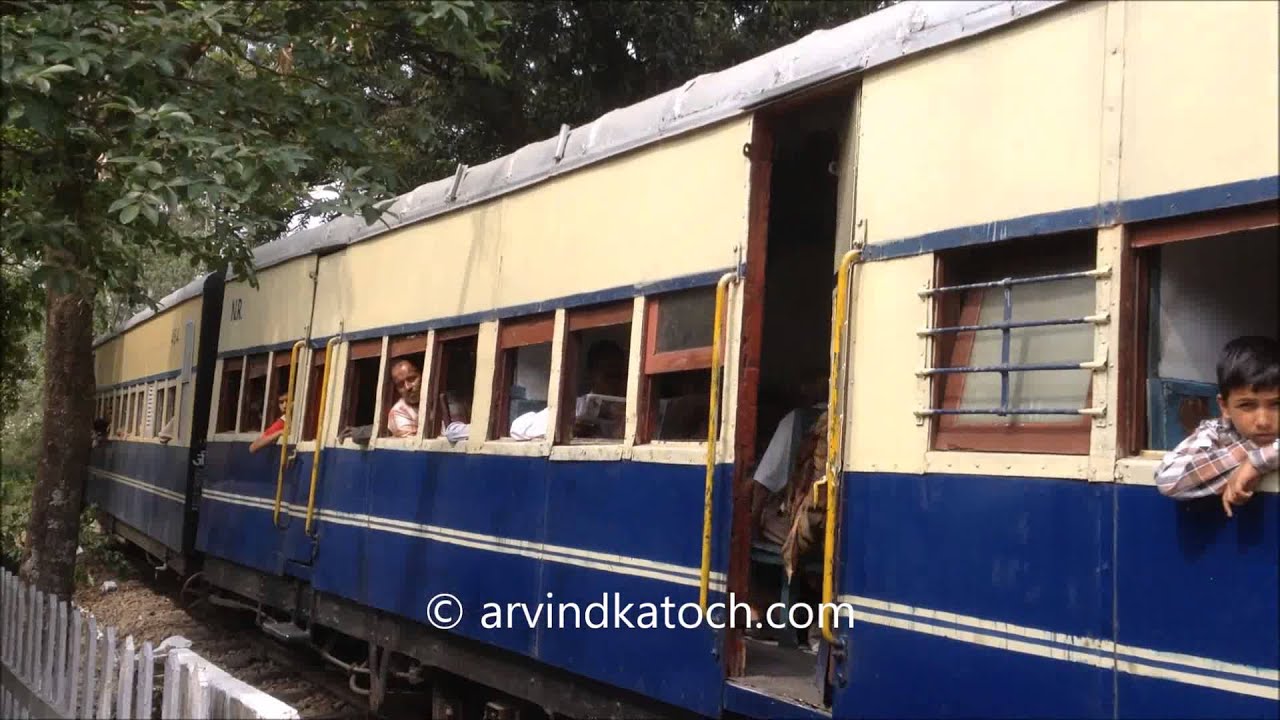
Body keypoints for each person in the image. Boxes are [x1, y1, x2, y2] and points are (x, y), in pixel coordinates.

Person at [1155, 335, 1279, 517]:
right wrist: (1252, 451)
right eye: (1247, 405)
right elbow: (1169, 480)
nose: (1263, 421)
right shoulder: (1216, 432)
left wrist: (1256, 463)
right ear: (1224, 407)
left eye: (1277, 404)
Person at [509, 340, 627, 441]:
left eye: (621, 376)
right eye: (609, 375)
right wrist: (566, 427)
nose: (616, 382)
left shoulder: (630, 413)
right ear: (592, 374)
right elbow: (517, 428)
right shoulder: (575, 407)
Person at [387, 358, 422, 437]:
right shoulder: (399, 411)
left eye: (412, 379)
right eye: (400, 384)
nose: (407, 387)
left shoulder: (439, 400)